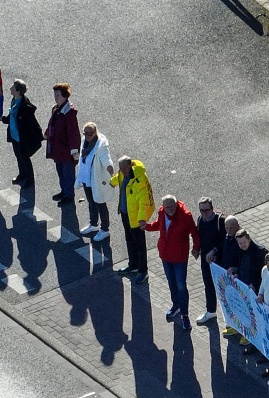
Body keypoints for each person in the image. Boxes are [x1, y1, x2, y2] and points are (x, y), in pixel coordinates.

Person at [145, 195, 200, 331]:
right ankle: (176, 306)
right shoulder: (162, 212)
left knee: (181, 286)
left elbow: (194, 233)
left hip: (180, 257)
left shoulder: (185, 216)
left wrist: (195, 248)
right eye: (167, 207)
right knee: (171, 282)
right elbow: (159, 224)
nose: (169, 210)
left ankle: (185, 315)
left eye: (172, 207)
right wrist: (146, 227)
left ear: (176, 205)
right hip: (165, 255)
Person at [110, 156, 155, 284]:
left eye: (125, 167)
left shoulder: (140, 179)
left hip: (136, 217)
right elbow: (117, 179)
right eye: (121, 168)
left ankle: (143, 270)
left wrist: (142, 219)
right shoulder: (122, 174)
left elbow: (144, 201)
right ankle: (133, 265)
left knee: (140, 244)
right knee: (129, 240)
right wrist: (110, 182)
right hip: (126, 213)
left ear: (131, 165)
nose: (123, 170)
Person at [74, 122, 114, 242]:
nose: (86, 136)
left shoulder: (101, 146)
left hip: (96, 179)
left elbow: (107, 160)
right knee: (91, 202)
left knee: (100, 203)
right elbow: (83, 155)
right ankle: (93, 224)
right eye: (85, 133)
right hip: (87, 178)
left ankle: (105, 229)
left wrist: (112, 174)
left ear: (95, 132)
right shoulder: (84, 141)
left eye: (89, 133)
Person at [228, 229, 268, 346]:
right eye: (240, 243)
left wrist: (255, 284)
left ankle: (251, 334)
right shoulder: (241, 251)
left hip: (255, 290)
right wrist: (237, 273)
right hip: (244, 286)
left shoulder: (260, 252)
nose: (242, 245)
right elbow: (241, 266)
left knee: (253, 313)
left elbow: (265, 274)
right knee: (243, 309)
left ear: (249, 239)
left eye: (244, 242)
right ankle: (241, 329)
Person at [1, 79, 43, 188]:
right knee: (18, 157)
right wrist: (4, 119)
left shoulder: (25, 108)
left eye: (13, 87)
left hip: (22, 138)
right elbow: (12, 116)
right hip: (15, 137)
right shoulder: (15, 100)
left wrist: (38, 137)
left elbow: (32, 124)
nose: (10, 88)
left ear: (18, 91)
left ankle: (30, 180)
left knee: (25, 159)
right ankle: (22, 175)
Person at [45, 83, 81, 206]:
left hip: (66, 150)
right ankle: (64, 191)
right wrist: (47, 134)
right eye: (55, 94)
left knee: (68, 174)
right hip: (58, 149)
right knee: (61, 172)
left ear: (65, 96)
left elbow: (73, 133)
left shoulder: (69, 113)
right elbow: (52, 124)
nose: (56, 97)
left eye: (58, 94)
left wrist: (75, 151)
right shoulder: (56, 109)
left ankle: (69, 195)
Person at [195, 197, 226, 325]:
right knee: (208, 285)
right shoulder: (200, 220)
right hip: (206, 260)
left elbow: (226, 241)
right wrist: (196, 249)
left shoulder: (220, 221)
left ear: (212, 208)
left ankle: (229, 319)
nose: (204, 213)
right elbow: (199, 237)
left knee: (224, 288)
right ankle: (211, 311)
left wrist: (214, 251)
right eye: (202, 210)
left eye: (207, 210)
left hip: (220, 261)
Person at [219, 215, 242, 337]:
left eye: (231, 228)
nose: (228, 231)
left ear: (238, 226)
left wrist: (236, 269)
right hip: (228, 278)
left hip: (239, 278)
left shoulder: (241, 240)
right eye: (226, 228)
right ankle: (233, 326)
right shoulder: (228, 237)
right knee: (231, 302)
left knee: (241, 306)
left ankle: (244, 333)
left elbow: (245, 262)